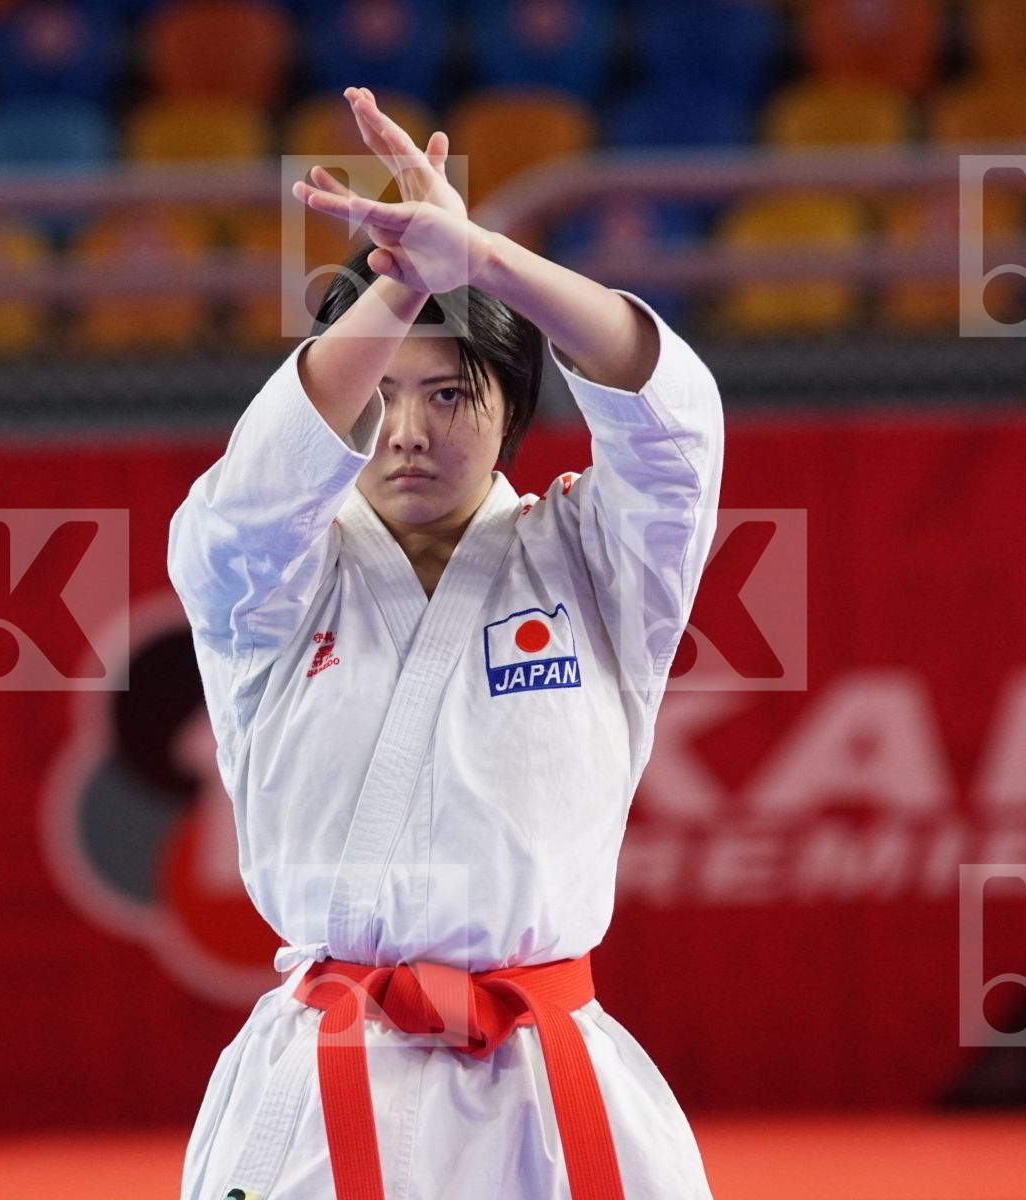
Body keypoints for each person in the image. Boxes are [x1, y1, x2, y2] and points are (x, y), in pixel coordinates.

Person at [168, 86, 722, 1200]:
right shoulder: (270, 584)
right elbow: (249, 497)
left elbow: (678, 434)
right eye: (379, 393)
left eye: (448, 393)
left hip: (548, 1088)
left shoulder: (596, 562)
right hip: (322, 1091)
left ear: (510, 409)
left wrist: (483, 260)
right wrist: (400, 286)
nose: (407, 432)